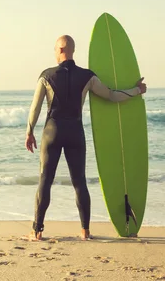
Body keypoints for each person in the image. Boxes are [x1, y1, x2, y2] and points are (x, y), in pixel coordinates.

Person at [25, 35, 147, 241]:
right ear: (72, 50)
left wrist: (29, 131)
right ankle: (85, 231)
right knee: (79, 182)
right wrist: (136, 90)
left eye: (55, 49)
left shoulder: (46, 75)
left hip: (51, 132)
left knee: (45, 180)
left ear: (60, 50)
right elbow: (111, 95)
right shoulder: (87, 77)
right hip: (75, 132)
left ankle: (37, 231)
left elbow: (35, 107)